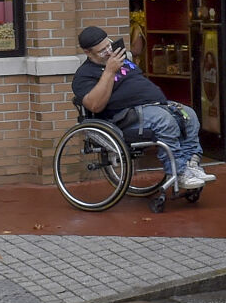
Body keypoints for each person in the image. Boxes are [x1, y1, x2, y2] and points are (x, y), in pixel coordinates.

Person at [71, 27, 211, 191]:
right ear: (88, 52)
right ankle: (179, 172)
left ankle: (191, 165)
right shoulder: (84, 75)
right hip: (125, 116)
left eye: (108, 45)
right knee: (164, 121)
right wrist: (109, 71)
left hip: (154, 105)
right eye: (102, 51)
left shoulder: (122, 60)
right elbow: (95, 105)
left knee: (189, 114)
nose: (109, 52)